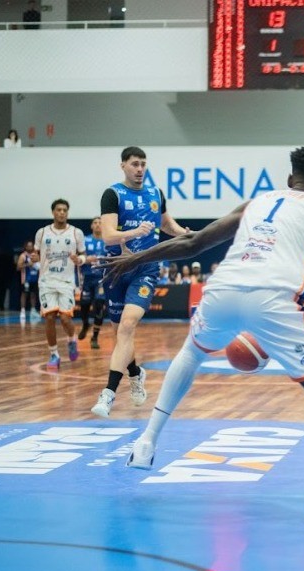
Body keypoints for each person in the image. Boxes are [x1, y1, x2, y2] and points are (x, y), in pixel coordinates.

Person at [99, 146, 304, 530]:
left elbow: (192, 243)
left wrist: (133, 258)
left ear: (290, 179)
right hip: (276, 298)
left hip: (223, 289)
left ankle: (146, 443)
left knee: (192, 351)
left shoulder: (257, 202)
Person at [91, 146, 190, 418]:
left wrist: (187, 235)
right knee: (120, 333)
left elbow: (167, 225)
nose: (140, 169)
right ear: (123, 165)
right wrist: (135, 231)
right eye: (135, 164)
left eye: (143, 164)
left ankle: (108, 394)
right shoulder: (113, 194)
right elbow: (108, 236)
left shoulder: (156, 194)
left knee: (127, 325)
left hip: (145, 268)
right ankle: (135, 373)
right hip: (115, 268)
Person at [34, 199, 86, 370]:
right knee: (49, 317)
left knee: (65, 318)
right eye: (58, 210)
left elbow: (83, 256)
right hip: (46, 282)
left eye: (65, 210)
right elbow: (35, 254)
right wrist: (34, 259)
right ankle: (54, 354)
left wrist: (79, 259)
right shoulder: (42, 233)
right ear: (53, 212)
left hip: (66, 282)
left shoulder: (76, 233)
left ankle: (71, 340)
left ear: (67, 213)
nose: (62, 213)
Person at [78, 217, 107, 349]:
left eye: (100, 223)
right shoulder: (85, 240)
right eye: (95, 223)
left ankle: (94, 337)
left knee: (99, 306)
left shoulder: (108, 241)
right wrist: (84, 259)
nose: (97, 225)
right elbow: (77, 257)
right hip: (87, 278)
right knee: (84, 305)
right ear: (91, 226)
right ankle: (85, 324)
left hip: (101, 279)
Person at [17, 240, 40, 320]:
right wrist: (27, 265)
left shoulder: (36, 255)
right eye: (28, 246)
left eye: (31, 246)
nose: (30, 247)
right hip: (26, 279)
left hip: (35, 279)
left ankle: (33, 311)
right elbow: (18, 267)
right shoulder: (23, 256)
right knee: (24, 294)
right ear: (26, 247)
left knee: (33, 294)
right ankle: (22, 311)